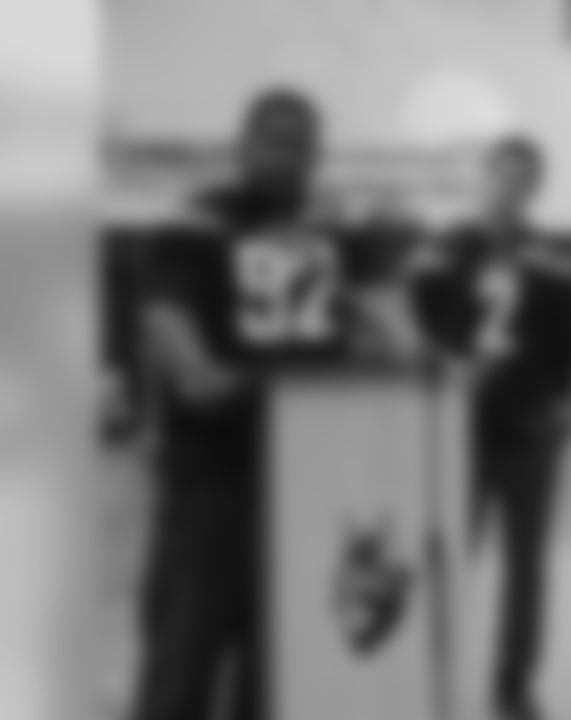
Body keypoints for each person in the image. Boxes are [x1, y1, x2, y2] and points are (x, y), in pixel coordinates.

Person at [132, 87, 353, 720]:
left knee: (277, 660)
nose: (292, 158)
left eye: (305, 146)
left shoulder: (328, 231)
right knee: (184, 656)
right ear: (245, 146)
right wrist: (193, 364)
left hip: (305, 480)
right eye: (278, 142)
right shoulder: (198, 222)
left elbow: (366, 316)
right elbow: (164, 307)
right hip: (214, 474)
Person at [409, 135, 571, 720]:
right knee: (449, 556)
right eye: (502, 173)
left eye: (524, 177)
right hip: (459, 428)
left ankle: (514, 683)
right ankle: (429, 672)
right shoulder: (442, 248)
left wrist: (569, 406)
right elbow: (414, 322)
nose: (511, 186)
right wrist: (446, 365)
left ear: (537, 187)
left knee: (527, 565)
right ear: (483, 175)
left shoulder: (558, 258)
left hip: (532, 431)